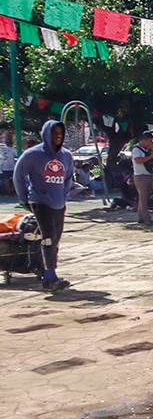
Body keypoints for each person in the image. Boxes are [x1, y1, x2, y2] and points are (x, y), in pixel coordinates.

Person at [13, 120, 74, 292]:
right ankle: (49, 278)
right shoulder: (32, 154)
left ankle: (47, 270)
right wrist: (24, 199)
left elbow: (68, 178)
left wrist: (64, 196)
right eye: (54, 133)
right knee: (48, 238)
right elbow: (18, 176)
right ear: (46, 134)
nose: (57, 136)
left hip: (59, 203)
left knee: (55, 239)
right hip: (40, 202)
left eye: (60, 133)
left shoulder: (66, 155)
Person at [131, 131, 153, 225]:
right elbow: (138, 160)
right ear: (144, 140)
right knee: (143, 199)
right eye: (149, 141)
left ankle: (141, 217)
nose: (150, 143)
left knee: (144, 197)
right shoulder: (136, 150)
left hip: (148, 174)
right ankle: (146, 219)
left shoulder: (148, 149)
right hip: (140, 175)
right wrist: (151, 156)